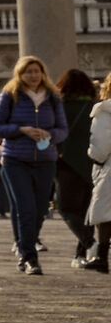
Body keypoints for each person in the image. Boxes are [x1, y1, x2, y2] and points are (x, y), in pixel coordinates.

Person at [0, 57, 67, 277]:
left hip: (45, 160)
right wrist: (21, 130)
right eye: (28, 72)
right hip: (16, 159)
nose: (33, 75)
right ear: (20, 75)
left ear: (43, 74)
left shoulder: (53, 98)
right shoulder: (9, 96)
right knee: (26, 209)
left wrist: (50, 135)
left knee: (41, 210)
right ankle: (29, 257)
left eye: (36, 71)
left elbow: (63, 129)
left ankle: (25, 245)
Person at [53, 71, 97, 268]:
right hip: (93, 164)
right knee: (86, 212)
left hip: (66, 164)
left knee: (66, 209)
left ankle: (90, 244)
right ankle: (82, 255)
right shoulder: (95, 107)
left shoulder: (59, 108)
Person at [86, 85, 111, 274]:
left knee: (106, 212)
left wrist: (96, 157)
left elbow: (100, 145)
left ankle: (102, 256)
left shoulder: (105, 110)